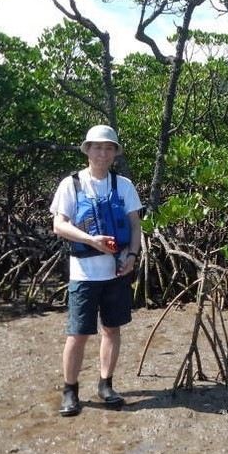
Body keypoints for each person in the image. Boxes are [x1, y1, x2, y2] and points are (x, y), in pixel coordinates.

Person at [49, 125, 143, 416]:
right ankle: (70, 390)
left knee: (112, 329)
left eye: (109, 148)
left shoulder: (124, 185)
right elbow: (59, 224)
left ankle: (105, 384)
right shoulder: (71, 184)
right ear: (87, 150)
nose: (103, 153)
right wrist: (91, 240)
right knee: (77, 334)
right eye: (97, 147)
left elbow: (135, 225)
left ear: (114, 153)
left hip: (116, 273)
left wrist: (132, 255)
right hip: (84, 275)